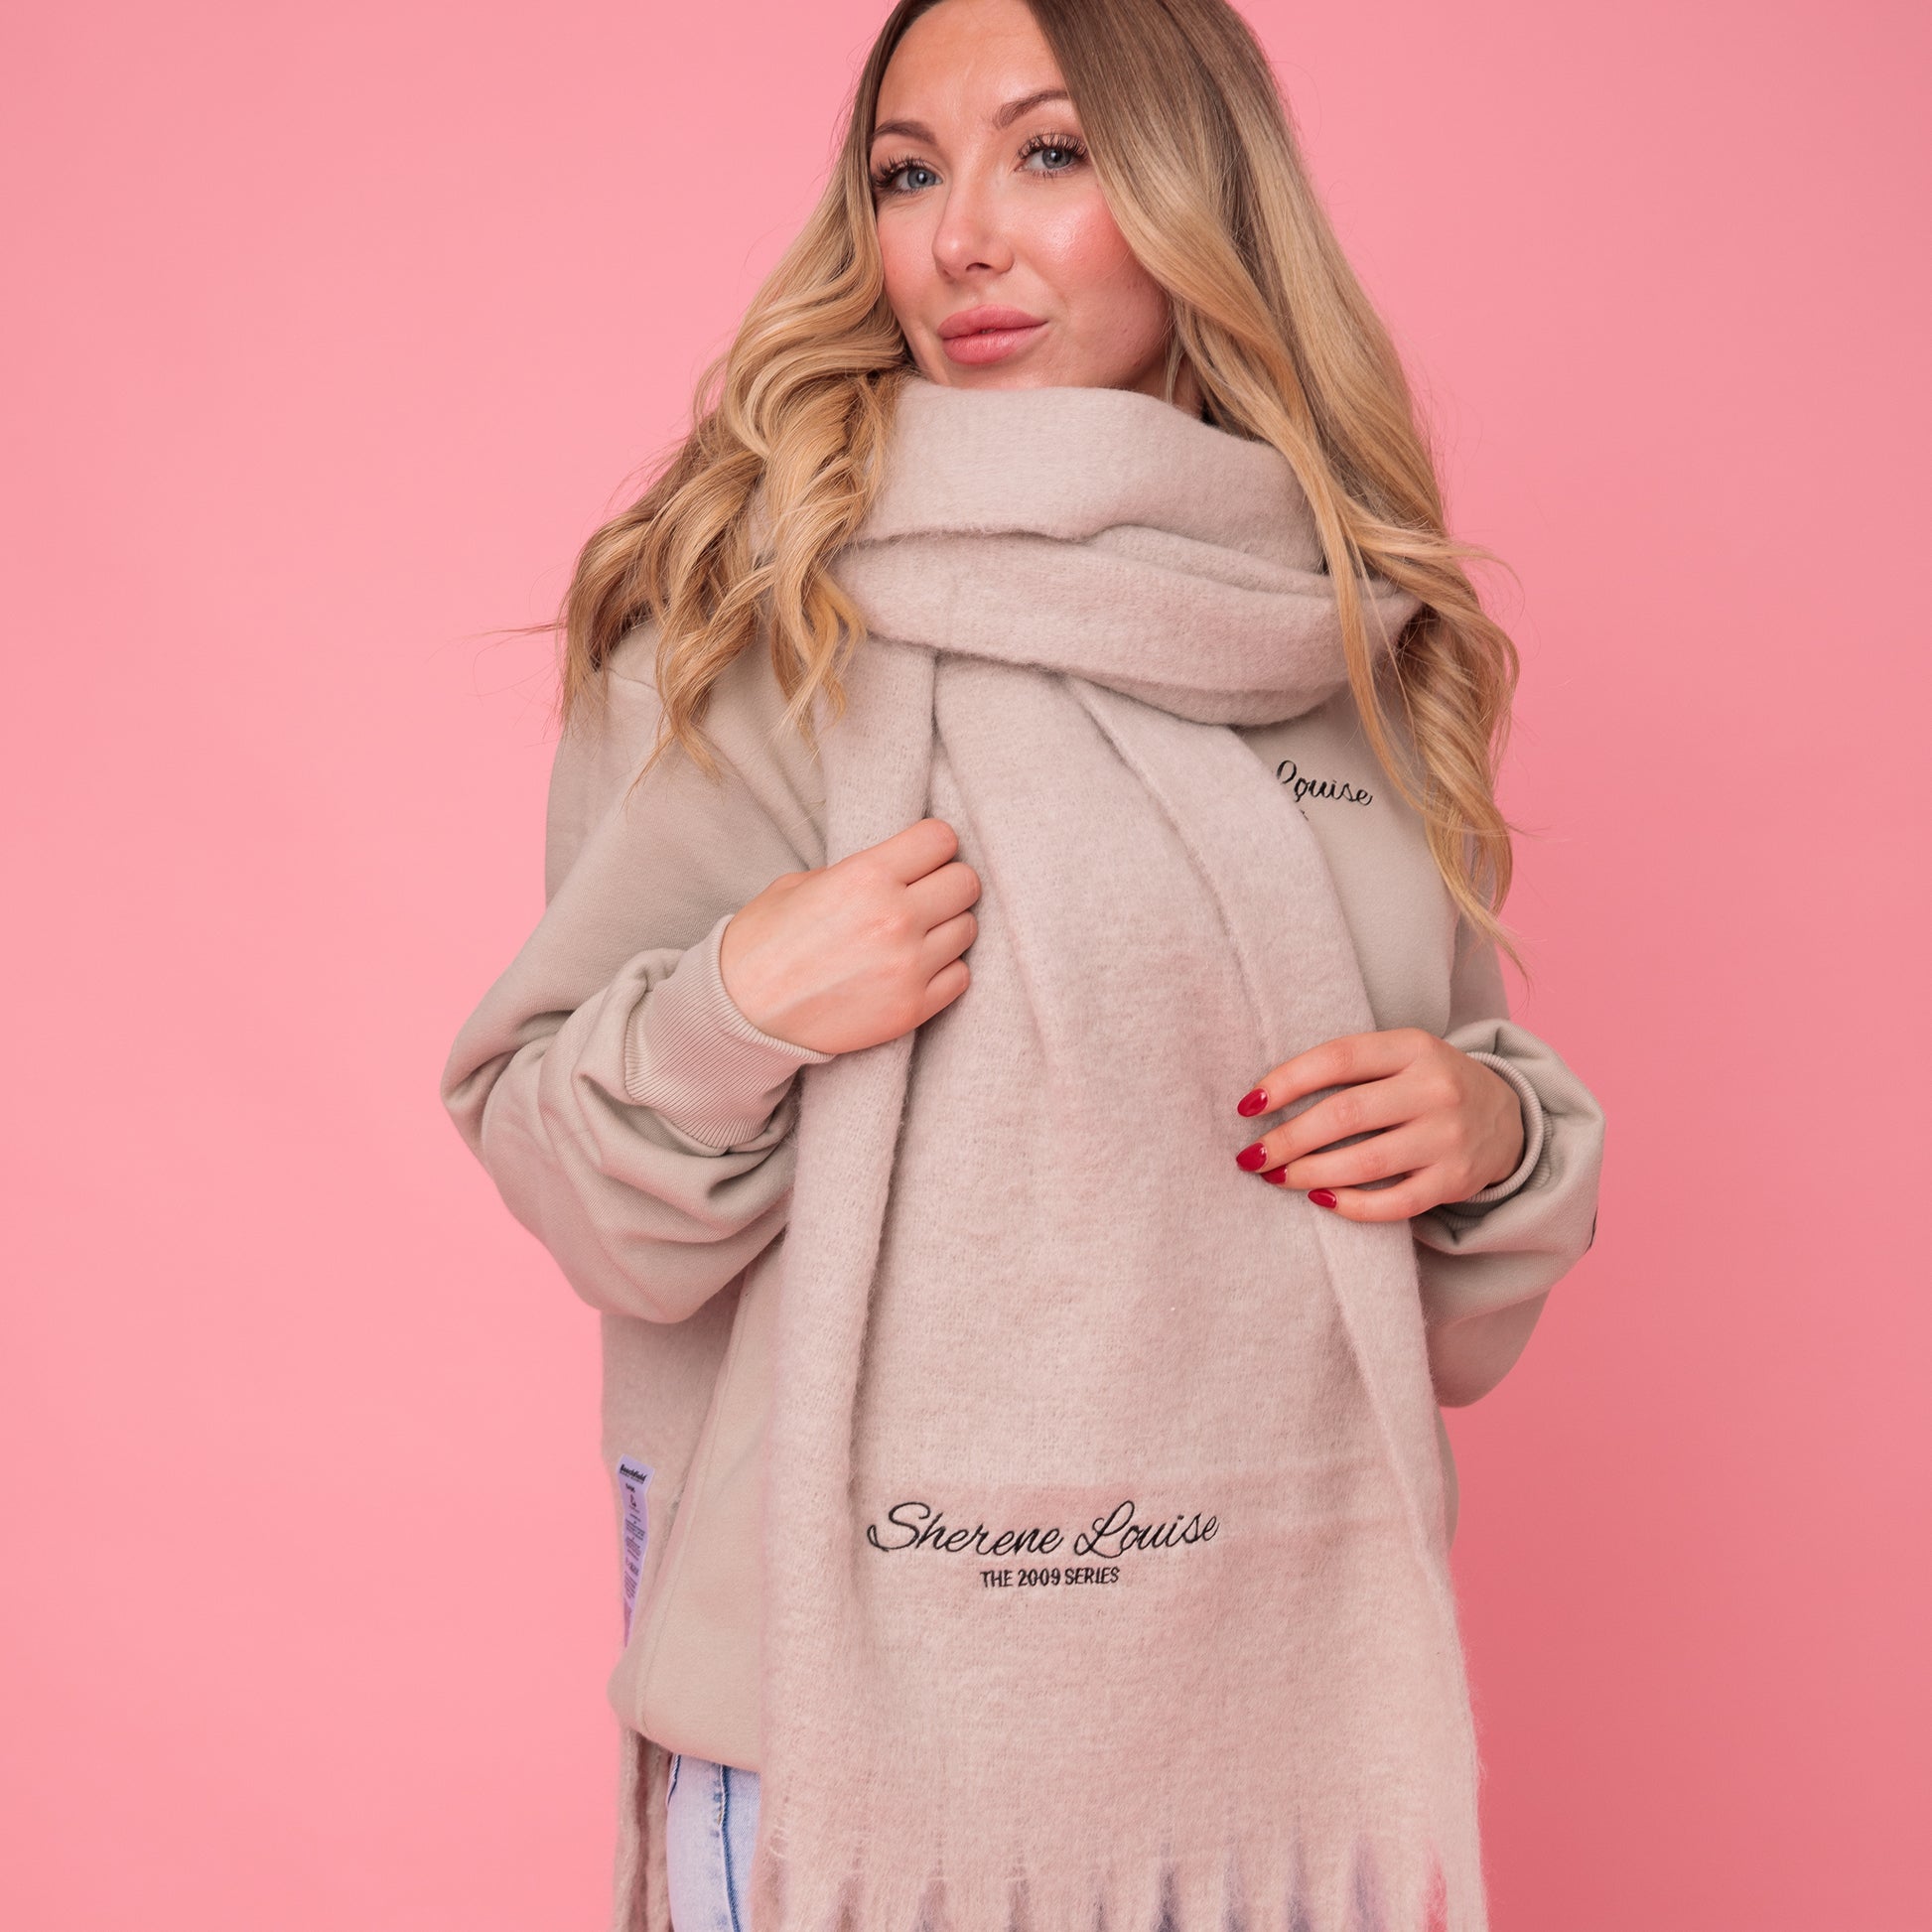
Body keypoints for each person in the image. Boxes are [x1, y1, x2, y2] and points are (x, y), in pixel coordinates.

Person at [440, 1, 1605, 1928]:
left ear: (1199, 197)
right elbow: (579, 1182)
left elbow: (1448, 1318)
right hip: (838, 1766)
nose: (961, 235)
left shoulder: (1347, 646)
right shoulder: (749, 621)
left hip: (1259, 1753)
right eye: (907, 173)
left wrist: (1486, 1129)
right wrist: (739, 1006)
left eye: (1048, 153)